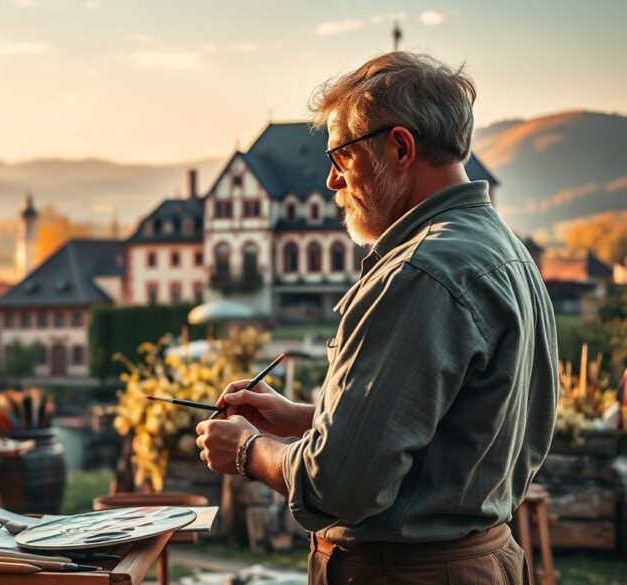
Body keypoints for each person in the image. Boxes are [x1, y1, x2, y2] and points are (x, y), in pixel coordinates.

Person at [195, 52, 558, 584]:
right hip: (482, 559)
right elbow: (451, 428)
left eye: (341, 157)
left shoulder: (420, 273)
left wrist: (248, 450)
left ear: (401, 147)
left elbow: (339, 487)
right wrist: (307, 420)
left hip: (409, 574)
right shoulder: (503, 248)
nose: (330, 182)